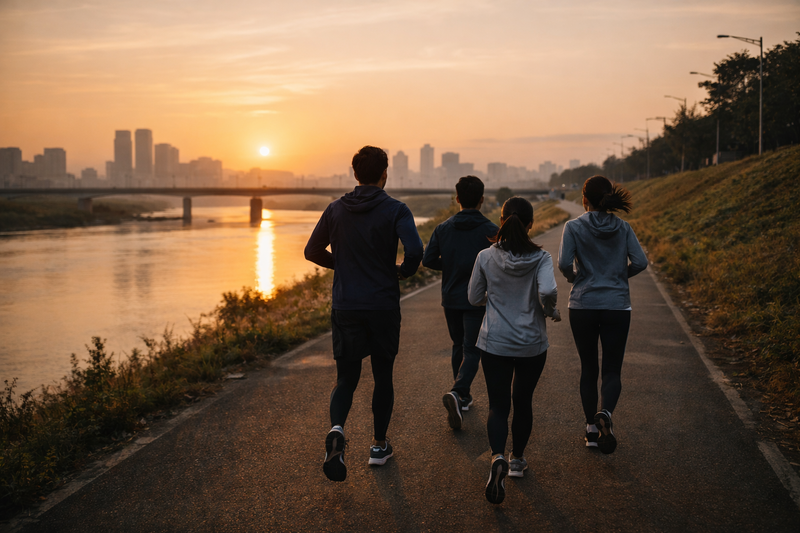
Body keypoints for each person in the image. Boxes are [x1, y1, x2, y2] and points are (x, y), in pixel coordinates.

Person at [304, 146, 423, 482]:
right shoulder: (396, 210)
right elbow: (415, 250)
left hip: (346, 305)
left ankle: (337, 431)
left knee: (346, 379)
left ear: (355, 173)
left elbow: (312, 251)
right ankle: (378, 446)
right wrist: (403, 270)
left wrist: (341, 265)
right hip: (383, 305)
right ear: (385, 173)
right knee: (383, 377)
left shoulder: (335, 210)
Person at [467, 196, 560, 504]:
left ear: (502, 219)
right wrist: (549, 309)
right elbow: (547, 290)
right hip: (532, 343)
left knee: (498, 404)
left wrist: (493, 302)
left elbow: (473, 297)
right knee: (523, 401)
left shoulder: (485, 256)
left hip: (494, 341)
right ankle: (517, 460)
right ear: (531, 224)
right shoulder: (541, 257)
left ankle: (496, 457)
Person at [557, 175, 647, 454]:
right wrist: (621, 276)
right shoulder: (623, 227)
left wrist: (575, 278)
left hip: (583, 305)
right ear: (608, 198)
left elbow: (562, 263)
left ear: (584, 200)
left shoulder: (573, 227)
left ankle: (591, 431)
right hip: (617, 305)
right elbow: (641, 262)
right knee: (611, 369)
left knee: (588, 369)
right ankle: (605, 412)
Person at [422, 176, 498, 430]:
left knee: (458, 345)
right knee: (473, 348)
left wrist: (451, 266)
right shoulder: (491, 230)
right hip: (477, 299)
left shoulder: (443, 228)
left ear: (457, 199)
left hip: (451, 297)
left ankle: (463, 397)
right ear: (482, 199)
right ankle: (458, 392)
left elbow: (429, 259)